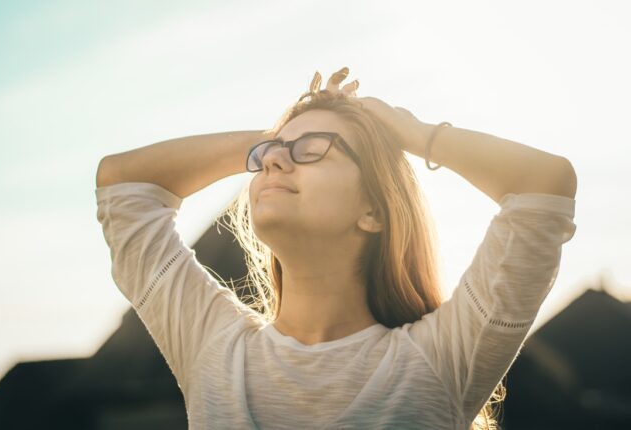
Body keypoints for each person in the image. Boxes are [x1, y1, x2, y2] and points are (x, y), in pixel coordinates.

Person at [94, 67, 577, 429]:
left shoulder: (440, 358)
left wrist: (412, 134)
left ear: (374, 211)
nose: (276, 163)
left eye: (313, 149)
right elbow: (122, 183)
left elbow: (544, 184)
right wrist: (276, 134)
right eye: (268, 157)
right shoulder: (212, 348)